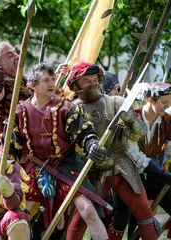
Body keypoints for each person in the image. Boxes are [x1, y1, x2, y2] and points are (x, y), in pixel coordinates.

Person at [8, 63, 108, 239]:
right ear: (33, 85)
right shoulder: (19, 111)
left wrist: (92, 144)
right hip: (33, 169)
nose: (52, 83)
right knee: (23, 215)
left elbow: (83, 132)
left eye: (53, 79)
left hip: (66, 166)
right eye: (46, 80)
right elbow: (12, 149)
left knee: (88, 210)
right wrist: (7, 166)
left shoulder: (66, 107)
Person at [65, 62, 158, 239]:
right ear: (76, 85)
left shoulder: (117, 102)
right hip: (91, 169)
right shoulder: (72, 109)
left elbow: (138, 136)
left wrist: (131, 120)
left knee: (144, 213)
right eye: (87, 81)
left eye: (94, 79)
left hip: (121, 164)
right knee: (80, 219)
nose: (92, 84)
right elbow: (70, 143)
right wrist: (87, 153)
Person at [110, 82, 171, 239]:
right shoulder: (132, 118)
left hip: (151, 176)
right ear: (150, 100)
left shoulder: (167, 120)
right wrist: (163, 173)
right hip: (127, 176)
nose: (167, 106)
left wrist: (166, 171)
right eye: (164, 102)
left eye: (170, 102)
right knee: (121, 219)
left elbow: (169, 148)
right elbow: (133, 154)